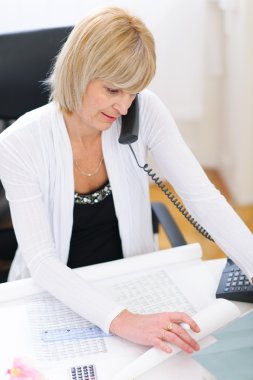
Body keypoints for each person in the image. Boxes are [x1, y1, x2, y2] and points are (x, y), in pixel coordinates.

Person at [0, 6, 252, 356]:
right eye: (113, 90)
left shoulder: (143, 111)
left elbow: (203, 198)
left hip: (132, 279)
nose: (123, 107)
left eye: (133, 92)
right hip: (59, 295)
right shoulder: (18, 144)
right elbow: (42, 261)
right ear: (79, 71)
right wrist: (124, 320)